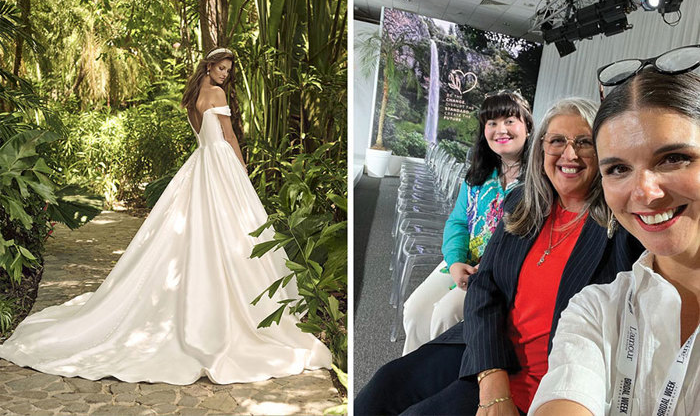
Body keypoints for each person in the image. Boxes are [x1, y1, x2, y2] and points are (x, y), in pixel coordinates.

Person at [0, 47, 331, 384]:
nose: (225, 75)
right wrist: (242, 170)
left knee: (198, 230)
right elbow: (228, 136)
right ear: (210, 66)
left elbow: (204, 136)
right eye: (222, 68)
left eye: (228, 70)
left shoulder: (191, 98)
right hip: (220, 164)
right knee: (234, 228)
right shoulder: (215, 93)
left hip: (201, 164)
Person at [354, 97, 644, 415]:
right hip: (488, 342)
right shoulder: (524, 203)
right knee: (384, 384)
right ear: (542, 148)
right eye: (558, 140)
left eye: (584, 142)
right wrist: (491, 374)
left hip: (543, 376)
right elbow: (484, 285)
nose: (569, 154)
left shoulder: (622, 226)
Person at [531, 68, 700, 415]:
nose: (646, 193)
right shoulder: (596, 310)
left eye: (673, 158)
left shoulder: (606, 231)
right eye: (619, 169)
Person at [402, 91, 533, 355]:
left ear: (528, 127)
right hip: (463, 262)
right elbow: (458, 223)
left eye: (510, 120)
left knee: (445, 315)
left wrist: (482, 269)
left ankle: (440, 386)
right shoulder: (479, 175)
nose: (500, 130)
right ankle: (411, 380)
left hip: (500, 273)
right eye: (492, 123)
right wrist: (454, 263)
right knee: (414, 310)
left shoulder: (538, 182)